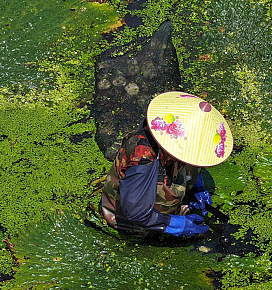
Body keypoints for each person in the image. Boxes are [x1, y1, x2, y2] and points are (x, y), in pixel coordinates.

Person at [99, 91, 233, 237]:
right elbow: (135, 211)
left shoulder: (178, 149)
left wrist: (197, 187)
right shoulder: (143, 159)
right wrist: (174, 224)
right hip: (131, 217)